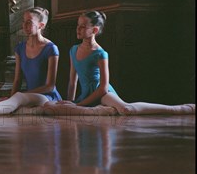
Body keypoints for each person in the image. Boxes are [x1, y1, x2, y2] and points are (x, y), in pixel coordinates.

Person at [47, 10, 195, 115]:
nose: (78, 29)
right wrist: (71, 102)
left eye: (83, 26)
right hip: (85, 94)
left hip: (102, 92)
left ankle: (178, 109)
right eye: (77, 25)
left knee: (126, 109)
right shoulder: (73, 50)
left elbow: (103, 87)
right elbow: (73, 81)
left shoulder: (100, 53)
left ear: (94, 30)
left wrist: (79, 105)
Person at [0, 7, 62, 118]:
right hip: (27, 97)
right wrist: (12, 97)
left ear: (41, 25)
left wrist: (20, 96)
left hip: (47, 97)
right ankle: (21, 109)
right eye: (23, 21)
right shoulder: (20, 48)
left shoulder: (51, 48)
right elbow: (17, 79)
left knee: (18, 98)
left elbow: (49, 86)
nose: (24, 25)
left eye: (29, 22)